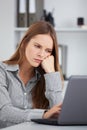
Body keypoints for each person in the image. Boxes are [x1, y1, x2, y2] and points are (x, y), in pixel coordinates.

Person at [0, 21, 63, 128]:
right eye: (37, 46)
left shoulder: (46, 79)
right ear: (24, 43)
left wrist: (51, 73)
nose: (42, 54)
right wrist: (43, 114)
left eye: (48, 51)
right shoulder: (2, 71)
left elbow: (58, 113)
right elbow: (4, 112)